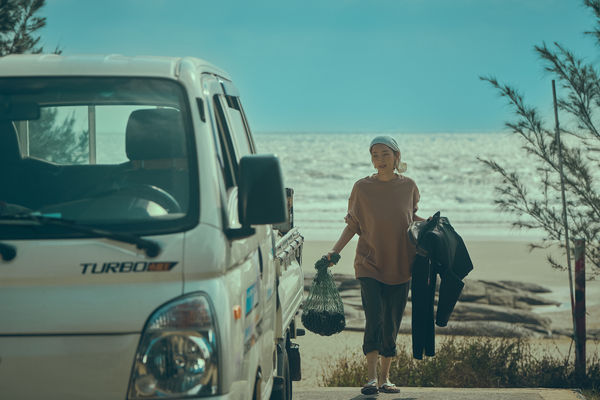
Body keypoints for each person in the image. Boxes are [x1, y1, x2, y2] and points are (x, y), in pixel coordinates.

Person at [327, 136, 424, 395]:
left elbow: (411, 217)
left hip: (402, 264)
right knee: (374, 318)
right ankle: (370, 378)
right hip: (369, 263)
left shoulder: (409, 186)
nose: (379, 160)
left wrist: (437, 226)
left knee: (392, 322)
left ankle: (385, 379)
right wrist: (335, 251)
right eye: (375, 155)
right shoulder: (361, 188)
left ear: (396, 156)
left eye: (385, 154)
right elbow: (353, 224)